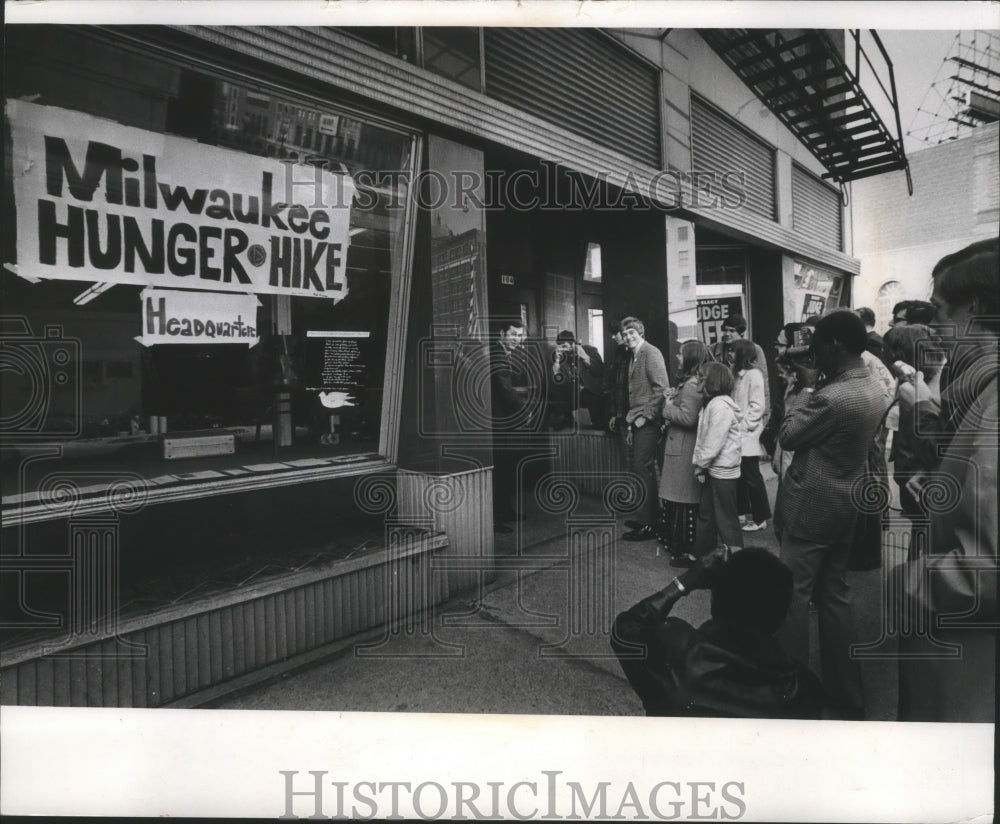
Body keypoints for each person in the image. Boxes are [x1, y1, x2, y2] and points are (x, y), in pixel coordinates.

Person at [893, 237, 998, 723]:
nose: (931, 325)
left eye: (938, 309)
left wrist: (908, 583)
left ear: (972, 310)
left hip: (970, 672)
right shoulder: (977, 390)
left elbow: (988, 568)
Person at [774, 310, 888, 719]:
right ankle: (848, 694)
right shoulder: (873, 386)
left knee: (792, 597)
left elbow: (788, 435)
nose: (813, 356)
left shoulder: (830, 397)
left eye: (819, 347)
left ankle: (793, 690)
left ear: (836, 346)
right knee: (835, 597)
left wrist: (802, 390)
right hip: (847, 504)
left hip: (812, 508)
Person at [611, 546, 826, 718]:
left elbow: (624, 630)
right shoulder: (805, 690)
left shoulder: (675, 654)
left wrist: (685, 581)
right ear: (782, 617)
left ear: (713, 603)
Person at [883, 323, 945, 558]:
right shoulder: (920, 385)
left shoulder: (921, 395)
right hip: (919, 487)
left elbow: (920, 446)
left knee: (924, 552)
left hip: (923, 489)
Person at [657, 340, 710, 563]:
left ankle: (683, 546)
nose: (677, 358)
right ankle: (682, 544)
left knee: (682, 498)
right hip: (682, 446)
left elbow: (689, 418)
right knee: (682, 498)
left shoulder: (690, 384)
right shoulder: (692, 382)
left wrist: (668, 408)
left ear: (689, 358)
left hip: (682, 448)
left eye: (680, 354)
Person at [619, 317, 670, 542]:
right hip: (637, 421)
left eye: (632, 332)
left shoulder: (651, 352)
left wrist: (645, 418)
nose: (628, 337)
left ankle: (649, 524)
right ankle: (646, 517)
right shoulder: (635, 354)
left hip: (647, 423)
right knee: (640, 469)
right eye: (625, 333)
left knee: (642, 468)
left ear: (641, 332)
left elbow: (662, 389)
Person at [688, 362, 744, 564]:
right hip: (715, 468)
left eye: (701, 377)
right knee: (707, 515)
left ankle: (739, 565)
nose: (698, 380)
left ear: (711, 381)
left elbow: (713, 441)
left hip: (721, 471)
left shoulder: (719, 406)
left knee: (726, 521)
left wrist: (700, 464)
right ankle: (700, 558)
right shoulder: (713, 403)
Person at [489, 318, 532, 533]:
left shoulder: (504, 354)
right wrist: (525, 410)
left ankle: (504, 510)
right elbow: (505, 390)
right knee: (499, 469)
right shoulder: (497, 355)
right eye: (513, 334)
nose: (517, 338)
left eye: (519, 335)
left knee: (505, 467)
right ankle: (496, 518)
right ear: (501, 334)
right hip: (497, 422)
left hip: (502, 421)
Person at [731, 339, 771, 533]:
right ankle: (743, 512)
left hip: (747, 433)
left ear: (742, 353)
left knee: (751, 475)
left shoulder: (753, 374)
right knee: (741, 474)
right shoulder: (739, 374)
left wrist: (745, 426)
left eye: (733, 351)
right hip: (740, 431)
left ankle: (760, 517)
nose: (730, 354)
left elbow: (758, 405)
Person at [712, 314, 770, 413]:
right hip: (724, 405)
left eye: (731, 331)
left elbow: (763, 382)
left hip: (745, 405)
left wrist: (765, 412)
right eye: (725, 330)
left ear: (742, 333)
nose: (726, 333)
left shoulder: (754, 349)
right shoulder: (715, 348)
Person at [548, 329, 604, 430]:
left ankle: (597, 424)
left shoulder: (590, 350)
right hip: (571, 393)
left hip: (591, 392)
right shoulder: (561, 358)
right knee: (555, 394)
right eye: (560, 346)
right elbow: (556, 381)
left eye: (565, 346)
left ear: (573, 344)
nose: (563, 349)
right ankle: (567, 420)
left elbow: (600, 371)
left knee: (593, 402)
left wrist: (585, 357)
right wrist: (556, 362)